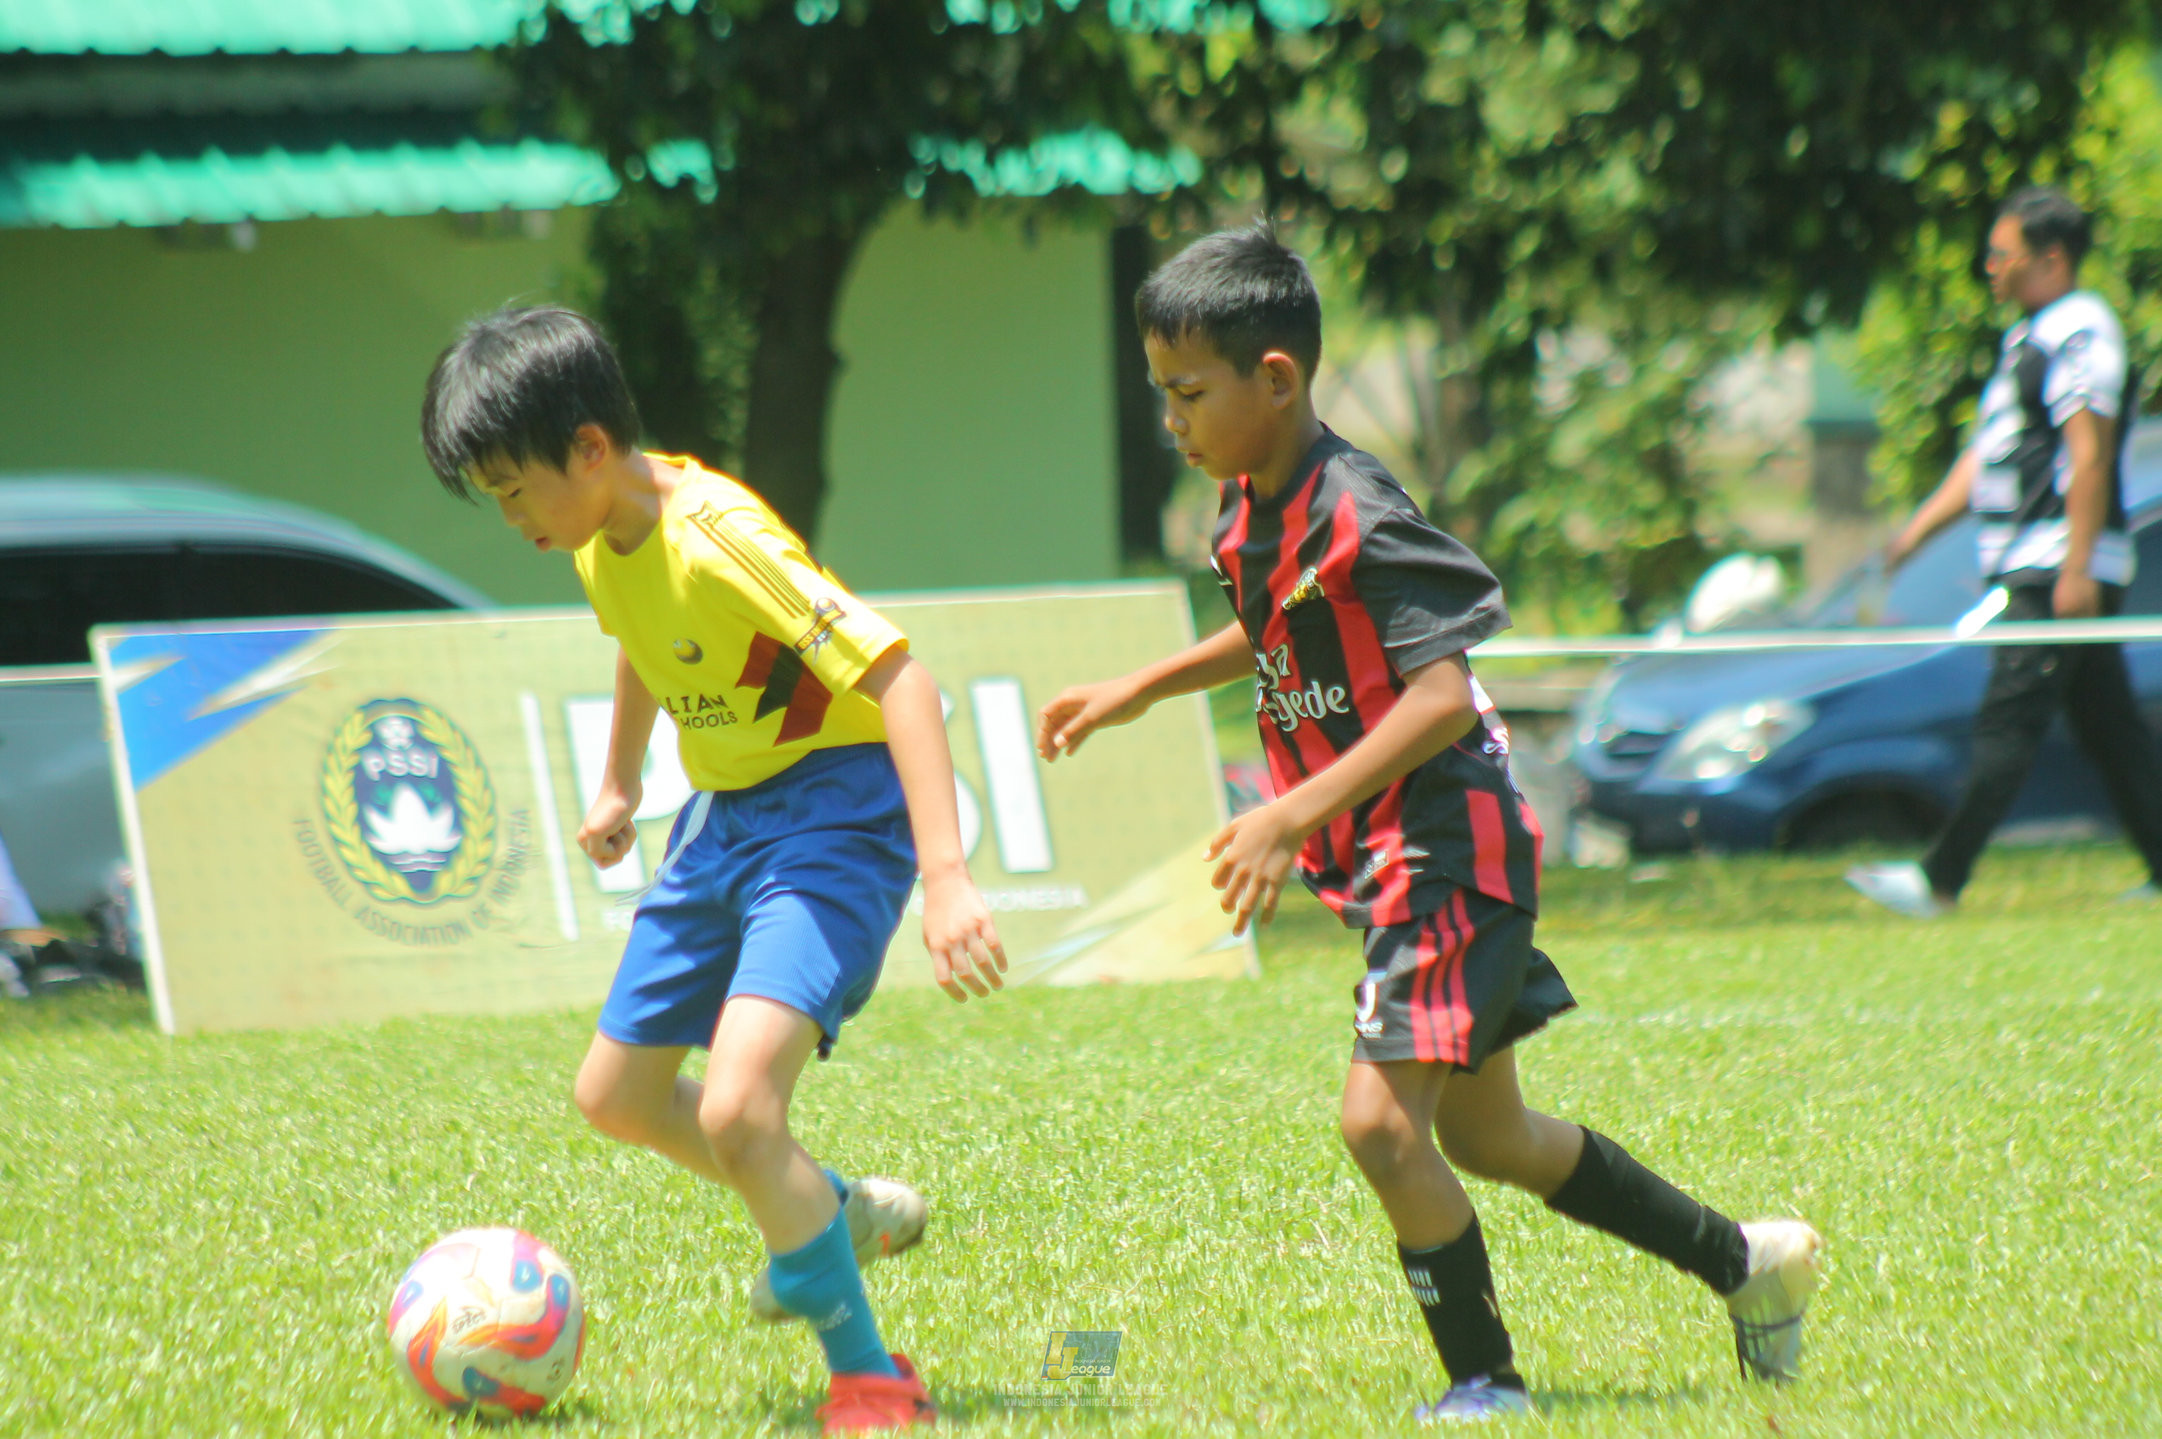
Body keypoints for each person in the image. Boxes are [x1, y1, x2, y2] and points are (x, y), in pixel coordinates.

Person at [1036, 225, 1822, 1423]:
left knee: (1376, 1123)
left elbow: (1440, 689)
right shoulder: (1246, 509)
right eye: (1161, 396)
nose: (1172, 422)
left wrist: (1284, 810)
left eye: (1188, 394)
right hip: (1393, 857)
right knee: (1490, 1135)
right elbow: (1281, 627)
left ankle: (1483, 1382)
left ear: (1277, 378)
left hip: (1441, 844)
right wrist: (1138, 687)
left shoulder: (1356, 505)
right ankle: (1745, 1258)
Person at [421, 306, 1007, 1435]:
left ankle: (874, 1379)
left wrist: (946, 875)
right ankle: (833, 1213)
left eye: (510, 489)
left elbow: (902, 680)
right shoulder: (597, 539)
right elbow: (644, 649)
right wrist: (617, 782)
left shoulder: (719, 537)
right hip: (721, 818)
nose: (509, 518)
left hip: (833, 819)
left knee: (740, 1107)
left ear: (588, 448)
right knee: (616, 1095)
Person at [1849, 186, 2162, 918]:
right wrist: (1914, 535)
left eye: (2002, 254)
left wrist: (2079, 567)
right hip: (2040, 557)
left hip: (2056, 562)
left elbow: (2090, 449)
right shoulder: (2029, 337)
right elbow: (1987, 455)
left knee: (2007, 720)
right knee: (2109, 728)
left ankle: (1940, 878)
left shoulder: (2080, 327)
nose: (1988, 267)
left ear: (2051, 259)